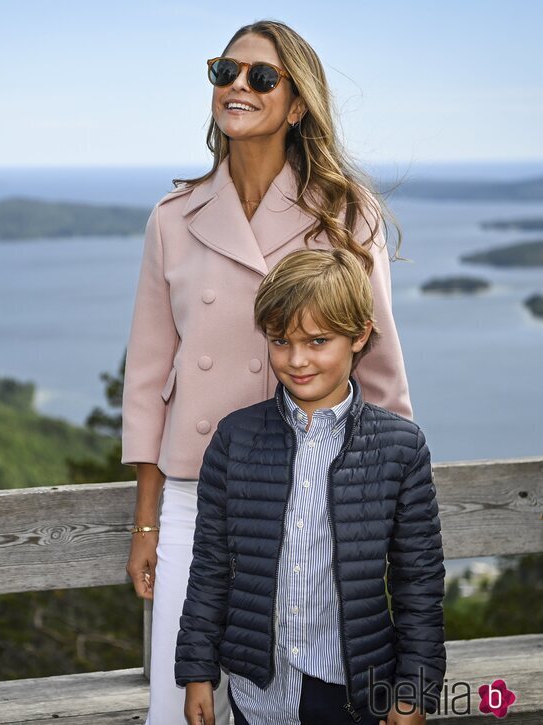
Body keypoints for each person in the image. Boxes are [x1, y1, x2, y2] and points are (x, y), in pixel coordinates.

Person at [121, 19, 413, 724]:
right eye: (225, 72)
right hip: (196, 494)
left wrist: (388, 504)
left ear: (297, 103)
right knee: (176, 703)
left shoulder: (345, 212)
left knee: (299, 702)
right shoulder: (173, 217)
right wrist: (147, 522)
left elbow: (378, 365)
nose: (238, 86)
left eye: (261, 76)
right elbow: (148, 373)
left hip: (313, 490)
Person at [176, 248, 445, 725]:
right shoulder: (234, 439)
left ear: (359, 334)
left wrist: (416, 691)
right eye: (280, 341)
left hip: (354, 690)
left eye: (318, 340)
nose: (296, 360)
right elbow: (211, 567)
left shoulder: (400, 447)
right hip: (257, 691)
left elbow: (417, 581)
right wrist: (197, 670)